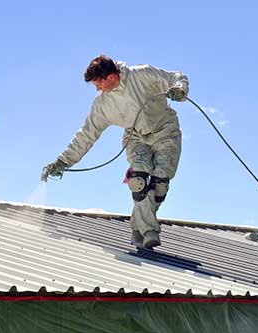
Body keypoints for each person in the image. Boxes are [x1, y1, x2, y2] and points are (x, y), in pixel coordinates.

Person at [42, 55, 188, 249]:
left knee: (160, 183)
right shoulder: (102, 105)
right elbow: (86, 134)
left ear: (111, 77)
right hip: (135, 137)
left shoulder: (141, 75)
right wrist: (63, 162)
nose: (98, 89)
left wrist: (179, 88)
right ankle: (149, 231)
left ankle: (138, 227)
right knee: (138, 181)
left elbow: (176, 76)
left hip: (165, 130)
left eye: (98, 84)